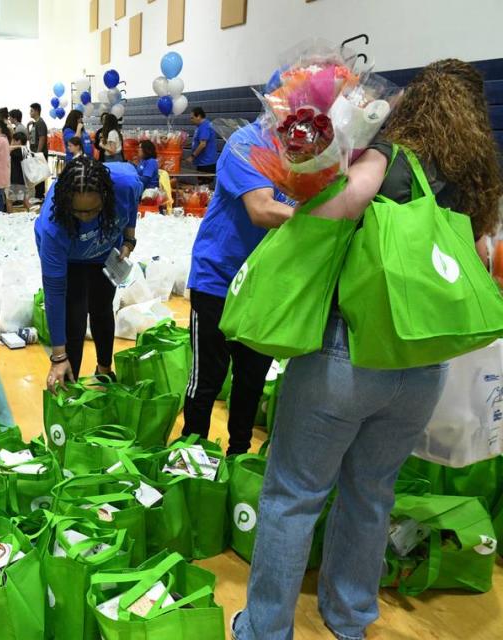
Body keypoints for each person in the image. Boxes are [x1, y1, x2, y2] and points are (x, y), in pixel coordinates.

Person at [232, 58, 503, 640]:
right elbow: (478, 262)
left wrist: (310, 197)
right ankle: (349, 617)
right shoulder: (472, 186)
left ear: (420, 102)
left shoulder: (392, 158)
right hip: (421, 369)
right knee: (372, 493)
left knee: (294, 496)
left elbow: (341, 207)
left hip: (347, 356)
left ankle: (263, 629)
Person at [183, 114, 295, 456]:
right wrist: (327, 217)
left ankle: (238, 458)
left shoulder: (308, 155)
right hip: (219, 280)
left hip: (264, 286)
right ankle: (191, 454)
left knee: (251, 380)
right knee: (208, 379)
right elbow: (261, 209)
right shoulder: (247, 144)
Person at [37, 157, 142, 388]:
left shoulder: (126, 184)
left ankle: (104, 371)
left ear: (106, 196)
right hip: (71, 257)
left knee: (102, 308)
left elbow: (131, 205)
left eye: (93, 211)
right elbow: (54, 295)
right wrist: (58, 357)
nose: (86, 218)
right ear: (66, 204)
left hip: (104, 251)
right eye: (79, 212)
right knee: (74, 316)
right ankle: (69, 383)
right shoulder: (53, 227)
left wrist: (129, 238)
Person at [189, 107, 218, 185]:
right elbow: (198, 142)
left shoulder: (205, 126)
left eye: (192, 118)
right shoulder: (200, 127)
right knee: (202, 186)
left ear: (198, 116)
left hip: (206, 163)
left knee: (204, 187)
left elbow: (202, 144)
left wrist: (192, 156)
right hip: (202, 162)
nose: (191, 120)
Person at [28, 103, 48, 200]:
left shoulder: (40, 123)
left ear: (36, 111)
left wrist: (38, 153)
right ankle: (38, 195)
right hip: (34, 151)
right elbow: (31, 138)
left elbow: (42, 138)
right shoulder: (35, 123)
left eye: (31, 110)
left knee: (40, 175)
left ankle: (40, 195)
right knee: (37, 174)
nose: (30, 113)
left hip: (39, 153)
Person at [9, 131, 31, 211]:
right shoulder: (25, 150)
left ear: (18, 141)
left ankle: (9, 217)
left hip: (15, 178)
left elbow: (7, 150)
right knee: (25, 200)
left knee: (9, 200)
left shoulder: (15, 152)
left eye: (13, 140)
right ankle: (34, 215)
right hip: (23, 178)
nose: (12, 142)